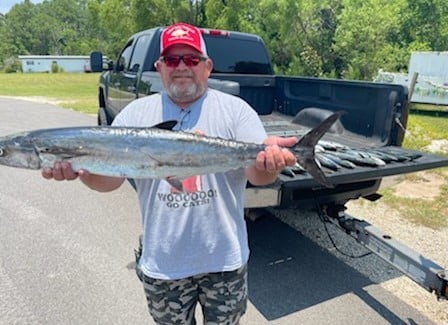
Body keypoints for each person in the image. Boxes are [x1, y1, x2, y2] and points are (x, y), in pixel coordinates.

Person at [42, 22, 297, 324]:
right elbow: (110, 181)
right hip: (164, 264)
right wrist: (81, 170)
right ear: (159, 66)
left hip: (225, 260)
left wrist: (269, 161)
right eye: (172, 60)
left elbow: (258, 178)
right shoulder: (135, 115)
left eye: (191, 59)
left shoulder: (236, 111)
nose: (181, 68)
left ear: (207, 66)